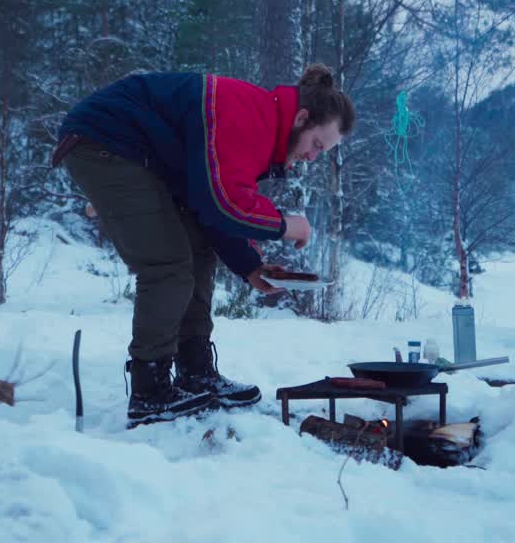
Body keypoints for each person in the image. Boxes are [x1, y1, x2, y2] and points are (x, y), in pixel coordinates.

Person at [51, 65, 356, 427]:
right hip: (104, 141)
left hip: (143, 156)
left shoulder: (264, 126)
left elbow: (209, 210)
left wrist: (250, 266)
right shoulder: (250, 116)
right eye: (316, 145)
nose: (311, 157)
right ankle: (149, 390)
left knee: (197, 250)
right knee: (167, 264)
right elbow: (223, 203)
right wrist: (285, 225)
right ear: (302, 118)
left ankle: (195, 370)